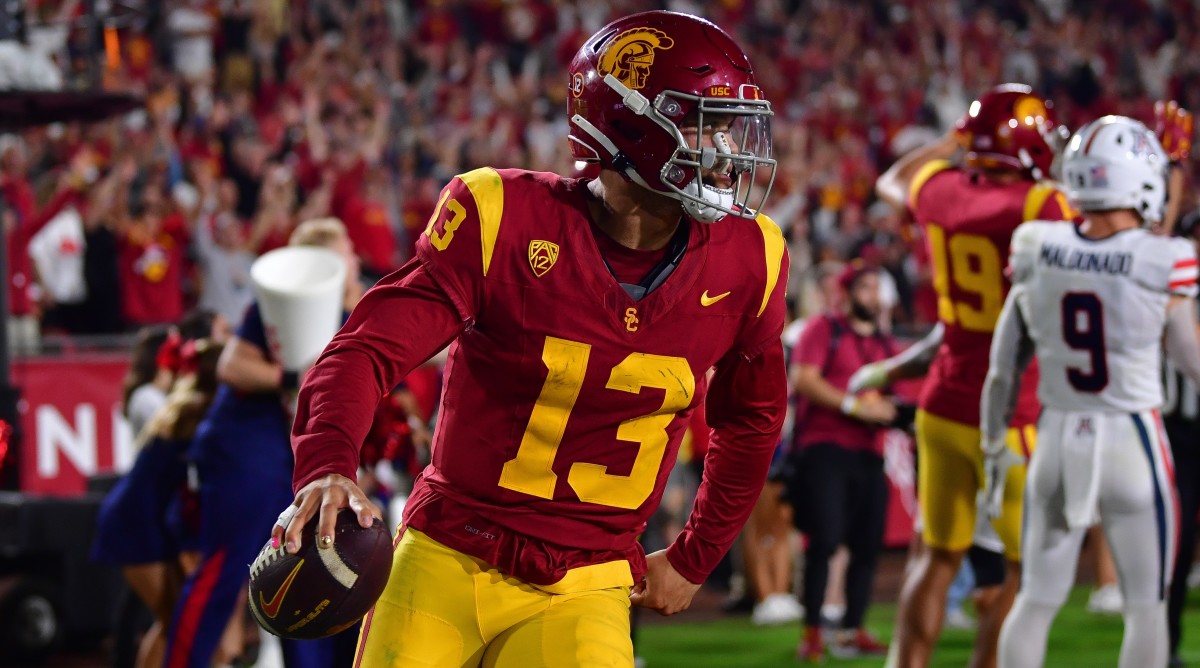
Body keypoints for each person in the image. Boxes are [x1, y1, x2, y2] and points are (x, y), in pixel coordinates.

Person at [272, 10, 788, 668]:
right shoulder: (504, 217)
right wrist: (327, 465)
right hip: (448, 554)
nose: (723, 149)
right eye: (699, 123)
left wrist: (696, 554)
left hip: (589, 579)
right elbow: (366, 348)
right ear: (626, 121)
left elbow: (753, 418)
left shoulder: (753, 257)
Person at [982, 115, 1200, 668]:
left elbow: (1003, 367)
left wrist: (991, 444)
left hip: (1057, 435)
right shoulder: (1164, 258)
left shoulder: (1037, 245)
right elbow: (1190, 358)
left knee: (1035, 599)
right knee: (1146, 607)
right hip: (1132, 436)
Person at [872, 84, 1075, 668]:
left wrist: (954, 139)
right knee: (1019, 570)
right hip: (1015, 412)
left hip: (943, 403)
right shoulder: (1041, 205)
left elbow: (893, 180)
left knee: (936, 558)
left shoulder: (941, 191)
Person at [165, 218, 363, 668]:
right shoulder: (279, 304)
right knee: (220, 578)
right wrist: (295, 378)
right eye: (347, 250)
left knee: (304, 583)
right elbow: (232, 366)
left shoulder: (350, 313)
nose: (355, 260)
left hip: (287, 462)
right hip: (247, 456)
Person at [788, 261, 898, 661]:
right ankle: (813, 630)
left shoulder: (885, 342)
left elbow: (899, 390)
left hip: (870, 452)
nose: (873, 296)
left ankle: (852, 628)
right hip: (825, 448)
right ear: (848, 293)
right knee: (825, 540)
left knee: (868, 545)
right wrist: (854, 405)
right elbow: (803, 379)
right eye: (865, 287)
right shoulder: (823, 328)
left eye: (876, 288)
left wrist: (893, 410)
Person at [93, 337, 224, 668]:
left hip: (143, 521)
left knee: (172, 622)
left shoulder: (185, 410)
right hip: (135, 524)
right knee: (174, 622)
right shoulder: (196, 419)